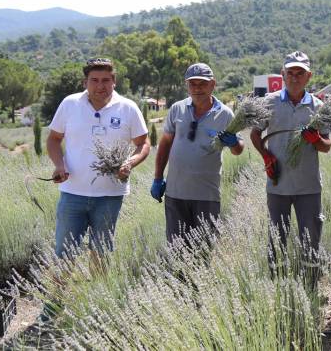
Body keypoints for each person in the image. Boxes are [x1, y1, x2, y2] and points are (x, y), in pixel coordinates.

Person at [47, 57, 150, 258]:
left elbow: (143, 143)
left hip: (110, 195)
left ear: (114, 82)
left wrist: (129, 163)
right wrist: (59, 165)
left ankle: (98, 280)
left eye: (106, 80)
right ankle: (63, 281)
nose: (100, 86)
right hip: (72, 193)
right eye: (94, 80)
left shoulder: (128, 108)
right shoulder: (69, 104)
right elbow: (53, 139)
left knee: (101, 254)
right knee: (64, 254)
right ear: (85, 82)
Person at [249, 51, 330, 286]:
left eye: (300, 73)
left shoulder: (318, 106)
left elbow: (326, 146)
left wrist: (316, 139)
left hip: (308, 186)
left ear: (309, 76)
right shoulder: (269, 103)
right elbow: (255, 134)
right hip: (278, 185)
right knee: (277, 240)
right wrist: (266, 156)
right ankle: (278, 287)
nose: (295, 77)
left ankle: (310, 287)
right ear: (283, 74)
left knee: (311, 240)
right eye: (290, 73)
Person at [151, 63, 244, 244]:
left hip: (206, 195)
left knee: (203, 249)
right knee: (177, 249)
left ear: (212, 84)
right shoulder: (177, 109)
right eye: (192, 84)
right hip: (176, 193)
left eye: (202, 83)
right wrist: (157, 178)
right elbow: (165, 144)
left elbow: (238, 149)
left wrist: (234, 143)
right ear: (187, 85)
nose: (197, 88)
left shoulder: (225, 114)